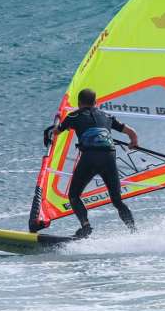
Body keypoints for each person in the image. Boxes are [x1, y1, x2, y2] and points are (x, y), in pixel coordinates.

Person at [52, 88, 139, 239]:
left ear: (79, 103)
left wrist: (58, 122)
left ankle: (85, 226)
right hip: (109, 158)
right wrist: (133, 142)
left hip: (90, 158)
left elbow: (57, 132)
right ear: (95, 102)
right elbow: (131, 132)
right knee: (117, 200)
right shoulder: (107, 116)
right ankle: (134, 232)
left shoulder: (73, 116)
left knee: (74, 195)